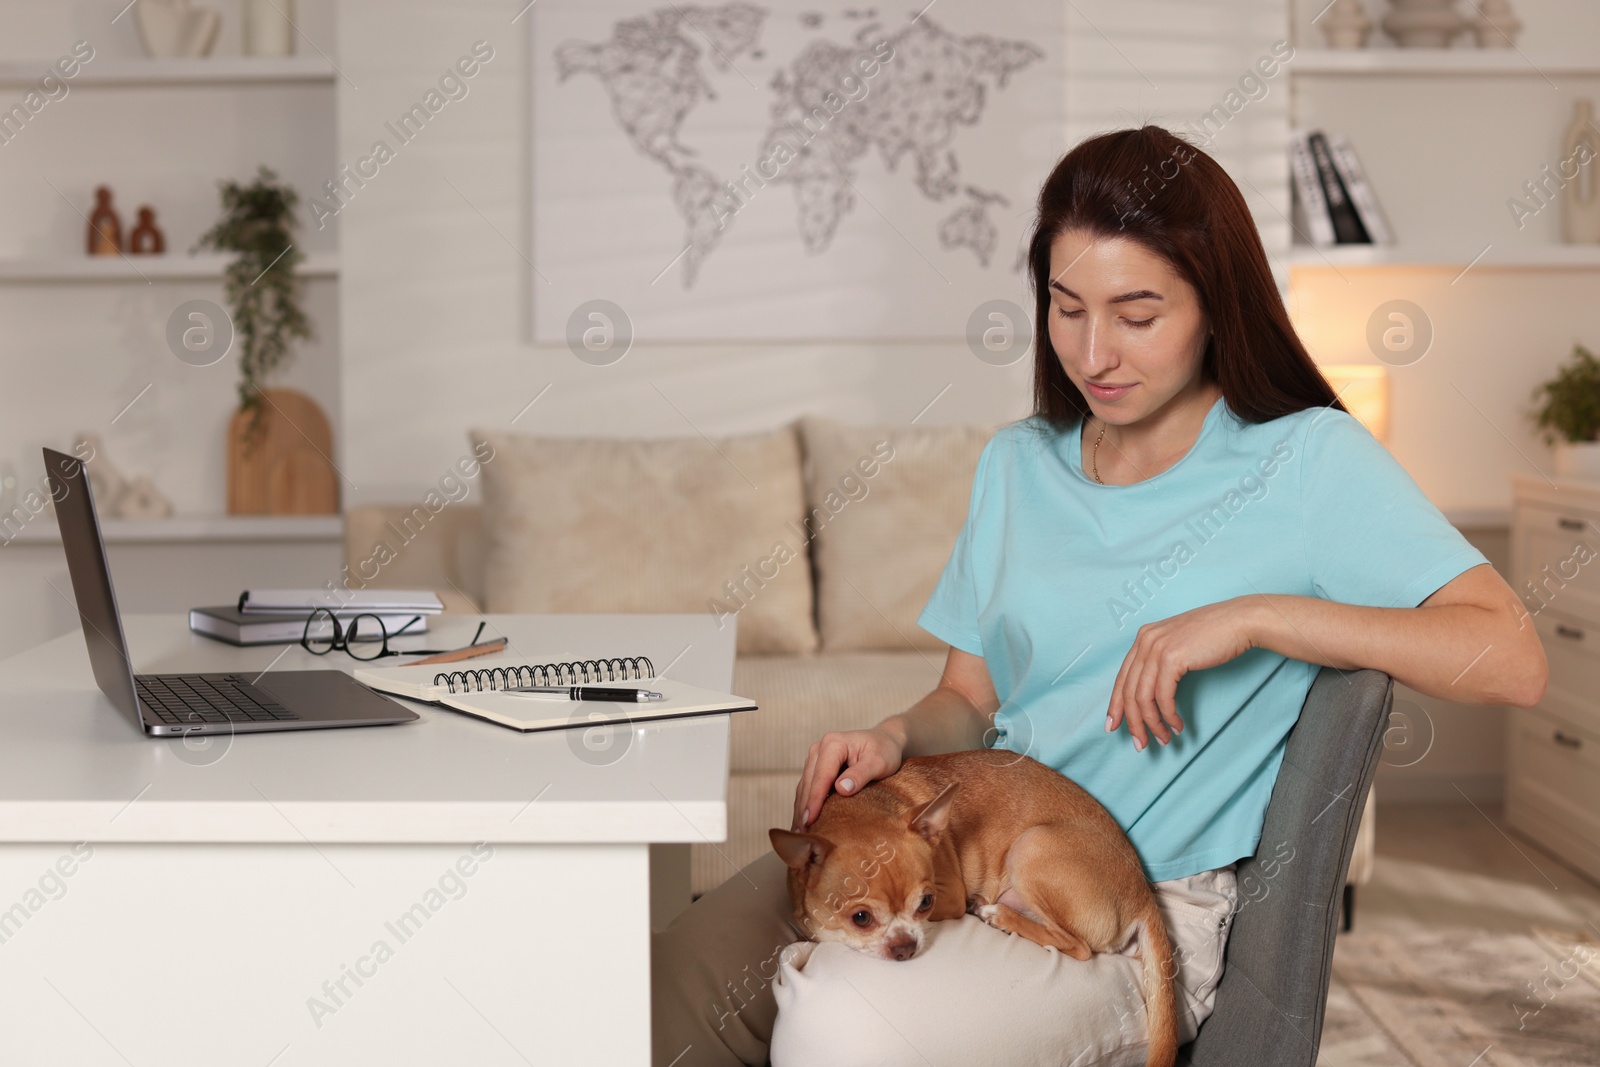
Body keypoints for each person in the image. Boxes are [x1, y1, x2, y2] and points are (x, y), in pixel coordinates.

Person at [651, 124, 1547, 1067]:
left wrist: (1257, 615)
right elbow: (969, 698)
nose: (1094, 352)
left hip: (1131, 911)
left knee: (841, 1019)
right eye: (1066, 307)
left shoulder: (1307, 460)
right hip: (964, 845)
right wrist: (892, 740)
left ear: (1215, 304)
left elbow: (1513, 657)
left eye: (1138, 313)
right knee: (676, 976)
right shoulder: (1017, 464)